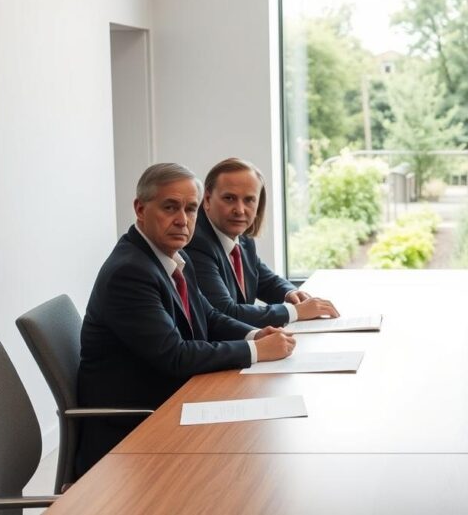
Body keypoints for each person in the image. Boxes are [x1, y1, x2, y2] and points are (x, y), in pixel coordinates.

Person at [77, 163, 296, 476]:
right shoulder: (130, 272)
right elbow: (175, 355)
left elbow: (207, 314)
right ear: (140, 209)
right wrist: (258, 352)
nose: (182, 220)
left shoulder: (173, 255)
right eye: (170, 207)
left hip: (171, 401)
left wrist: (255, 336)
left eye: (191, 209)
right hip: (135, 426)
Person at [186, 158, 338, 328]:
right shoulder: (196, 243)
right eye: (229, 198)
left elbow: (264, 280)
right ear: (207, 199)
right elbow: (225, 312)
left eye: (249, 200)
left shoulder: (242, 237)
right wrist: (296, 312)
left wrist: (291, 293)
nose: (240, 210)